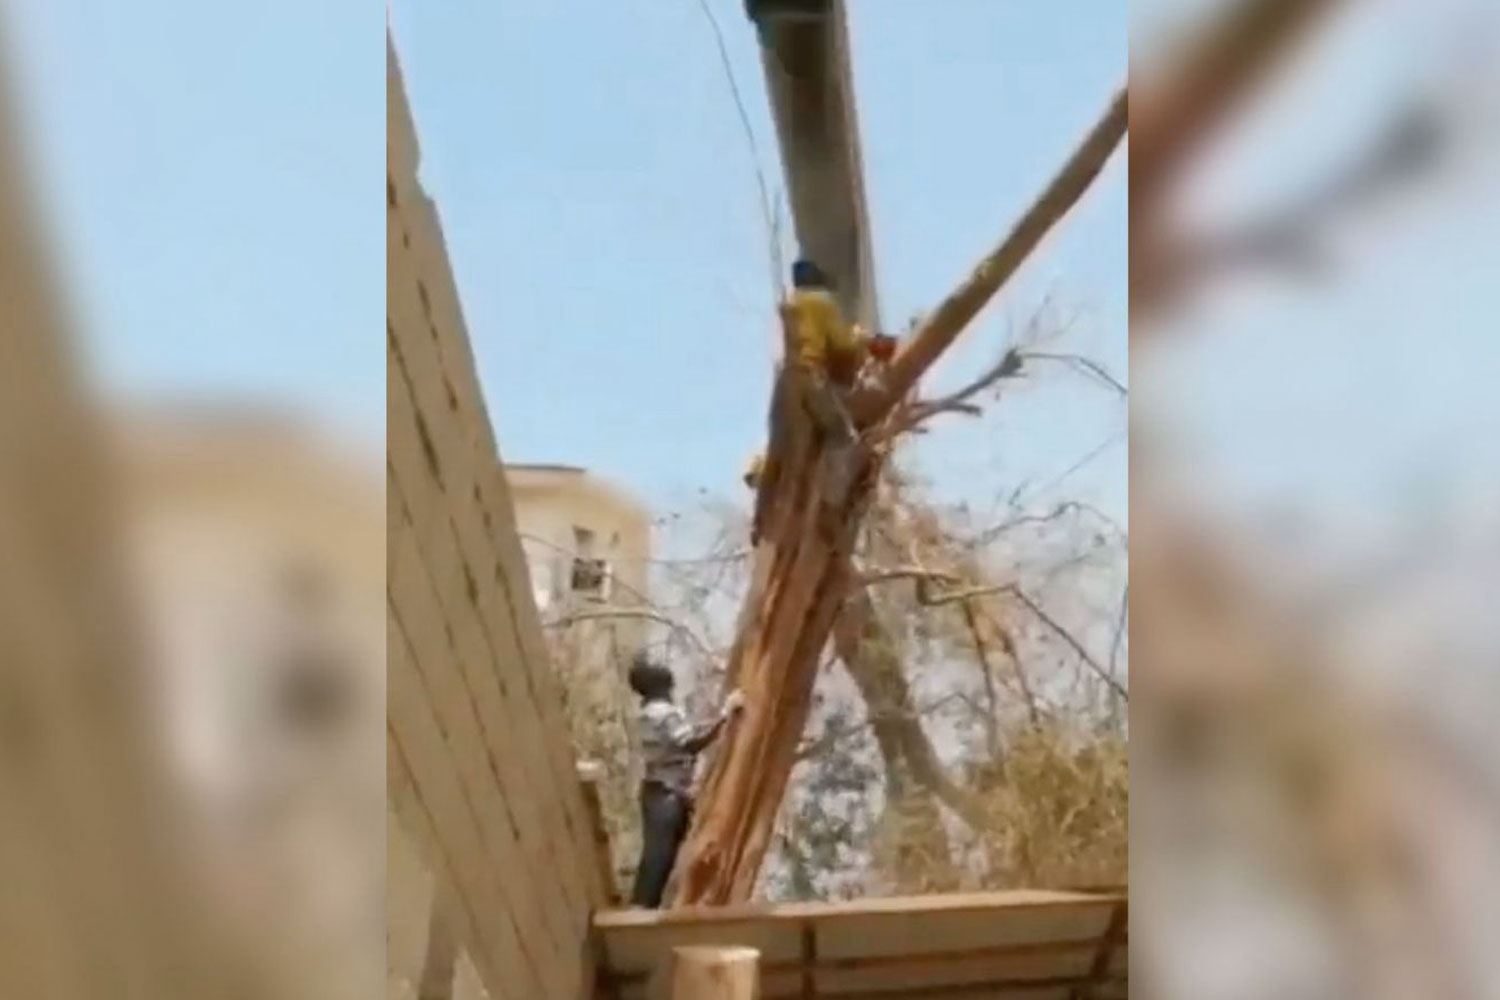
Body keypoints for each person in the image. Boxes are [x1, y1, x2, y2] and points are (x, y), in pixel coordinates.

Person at [627, 654, 745, 908]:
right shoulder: (663, 713)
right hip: (665, 796)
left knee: (662, 856)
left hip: (661, 792)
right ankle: (642, 909)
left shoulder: (649, 713)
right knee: (660, 856)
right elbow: (690, 742)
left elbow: (687, 735)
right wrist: (726, 713)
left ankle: (645, 908)